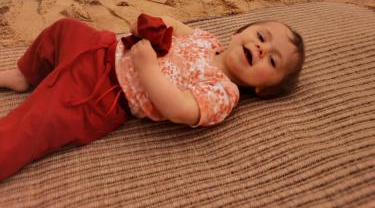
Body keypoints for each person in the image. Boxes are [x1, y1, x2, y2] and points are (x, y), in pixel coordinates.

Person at [0, 13, 304, 181]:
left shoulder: (224, 91)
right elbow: (174, 25)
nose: (262, 49)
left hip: (102, 93)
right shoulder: (207, 40)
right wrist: (150, 24)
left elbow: (179, 109)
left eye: (273, 61)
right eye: (261, 37)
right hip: (103, 48)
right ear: (238, 34)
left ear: (263, 89)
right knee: (63, 29)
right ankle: (24, 75)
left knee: (33, 126)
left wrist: (146, 68)